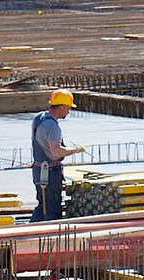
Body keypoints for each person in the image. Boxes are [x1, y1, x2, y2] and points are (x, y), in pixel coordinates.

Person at [30, 89, 84, 222]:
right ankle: (51, 235)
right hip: (50, 172)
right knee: (53, 209)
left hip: (38, 169)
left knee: (43, 205)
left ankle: (30, 231)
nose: (69, 112)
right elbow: (56, 151)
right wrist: (74, 150)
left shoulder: (39, 118)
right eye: (68, 109)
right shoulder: (53, 127)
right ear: (61, 107)